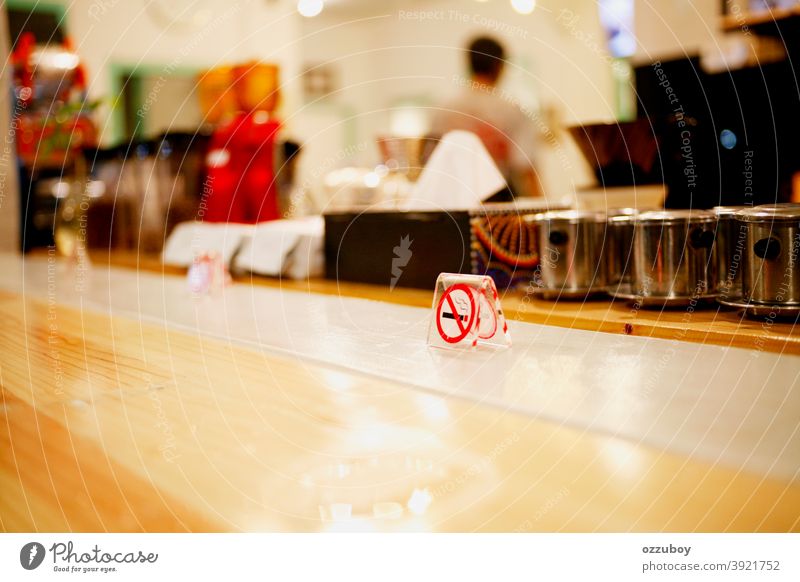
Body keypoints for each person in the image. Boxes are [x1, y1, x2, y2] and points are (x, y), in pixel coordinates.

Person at [430, 36, 542, 198]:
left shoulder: (444, 110)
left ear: (468, 63)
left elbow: (432, 162)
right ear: (499, 66)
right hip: (498, 201)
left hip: (453, 198)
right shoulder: (511, 110)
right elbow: (525, 167)